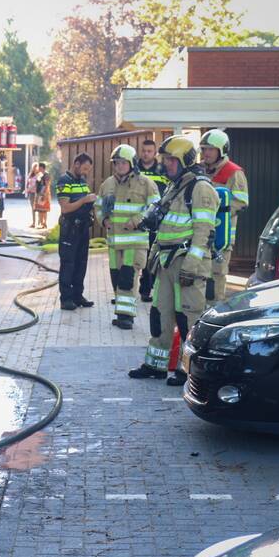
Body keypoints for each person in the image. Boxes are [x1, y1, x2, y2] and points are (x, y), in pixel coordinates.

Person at [129, 135, 219, 385]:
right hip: (167, 262)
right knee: (160, 314)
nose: (165, 164)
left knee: (188, 318)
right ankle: (155, 365)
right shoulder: (175, 185)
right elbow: (164, 225)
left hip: (186, 263)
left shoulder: (200, 188)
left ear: (184, 161)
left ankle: (186, 369)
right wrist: (152, 258)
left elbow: (204, 232)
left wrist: (191, 265)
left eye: (170, 160)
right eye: (165, 160)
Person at [96, 144, 161, 330]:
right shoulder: (107, 184)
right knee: (116, 279)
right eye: (117, 163)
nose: (120, 166)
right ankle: (121, 313)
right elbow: (99, 207)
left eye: (123, 162)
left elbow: (155, 208)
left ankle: (127, 318)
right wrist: (103, 220)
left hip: (135, 242)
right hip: (114, 242)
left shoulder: (146, 183)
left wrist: (137, 220)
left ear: (132, 163)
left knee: (127, 279)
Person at [200, 129, 248, 307]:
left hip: (222, 236)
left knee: (216, 276)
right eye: (204, 149)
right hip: (200, 234)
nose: (206, 153)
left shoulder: (234, 172)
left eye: (210, 149)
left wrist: (216, 210)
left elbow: (241, 202)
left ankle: (214, 311)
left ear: (222, 150)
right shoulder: (200, 170)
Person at [56, 153, 97, 311]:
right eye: (85, 168)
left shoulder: (82, 181)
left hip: (82, 228)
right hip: (70, 229)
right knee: (68, 264)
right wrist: (84, 200)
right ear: (76, 163)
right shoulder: (64, 181)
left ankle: (77, 296)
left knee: (81, 264)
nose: (86, 172)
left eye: (89, 169)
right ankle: (66, 299)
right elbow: (65, 208)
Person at [135, 139, 169, 303]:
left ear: (155, 153)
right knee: (134, 256)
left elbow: (169, 191)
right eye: (144, 151)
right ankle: (124, 291)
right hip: (136, 218)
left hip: (156, 219)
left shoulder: (162, 170)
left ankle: (145, 290)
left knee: (152, 256)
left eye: (149, 151)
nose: (146, 154)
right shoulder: (134, 168)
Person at [35, 163, 51, 229]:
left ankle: (44, 223)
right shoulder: (39, 175)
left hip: (44, 193)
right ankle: (41, 223)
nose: (38, 168)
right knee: (39, 210)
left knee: (44, 210)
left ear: (42, 167)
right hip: (39, 193)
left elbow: (47, 185)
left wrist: (45, 194)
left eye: (39, 167)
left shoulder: (46, 175)